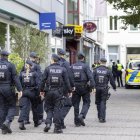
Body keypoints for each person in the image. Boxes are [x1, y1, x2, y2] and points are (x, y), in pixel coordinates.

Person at [40, 54, 71, 134]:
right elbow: (67, 82)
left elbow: (43, 81)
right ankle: (57, 128)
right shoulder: (63, 69)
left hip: (49, 92)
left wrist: (41, 90)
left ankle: (48, 123)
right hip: (58, 92)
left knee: (49, 108)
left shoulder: (47, 69)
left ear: (53, 60)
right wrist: (70, 91)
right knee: (57, 109)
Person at [0, 51, 22, 134]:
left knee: (2, 107)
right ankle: (7, 121)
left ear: (1, 56)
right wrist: (20, 90)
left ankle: (3, 129)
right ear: (7, 56)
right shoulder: (10, 65)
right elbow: (15, 78)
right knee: (12, 106)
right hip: (8, 88)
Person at [71, 52, 95, 127]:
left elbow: (69, 77)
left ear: (77, 58)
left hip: (75, 87)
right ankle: (82, 115)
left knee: (76, 104)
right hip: (84, 87)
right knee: (87, 102)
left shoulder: (72, 66)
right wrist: (93, 87)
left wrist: (70, 87)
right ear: (83, 58)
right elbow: (90, 77)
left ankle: (77, 122)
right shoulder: (85, 66)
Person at [18, 60, 40, 130]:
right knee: (34, 107)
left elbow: (19, 84)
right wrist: (38, 93)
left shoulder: (21, 73)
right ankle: (36, 122)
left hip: (24, 92)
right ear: (31, 66)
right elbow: (38, 84)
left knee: (24, 107)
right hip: (32, 92)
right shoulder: (35, 73)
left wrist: (20, 91)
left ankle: (21, 121)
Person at [93, 58, 116, 123]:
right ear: (105, 62)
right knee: (103, 102)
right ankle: (102, 118)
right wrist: (114, 87)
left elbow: (92, 79)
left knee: (98, 102)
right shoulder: (108, 70)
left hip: (97, 88)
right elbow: (112, 80)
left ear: (100, 62)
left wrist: (92, 88)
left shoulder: (95, 70)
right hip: (104, 88)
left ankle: (99, 116)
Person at [57, 48, 75, 129]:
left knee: (59, 105)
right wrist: (72, 86)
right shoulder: (66, 63)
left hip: (54, 88)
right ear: (64, 55)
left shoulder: (54, 62)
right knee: (68, 104)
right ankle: (60, 120)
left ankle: (61, 123)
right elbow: (70, 76)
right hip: (63, 87)